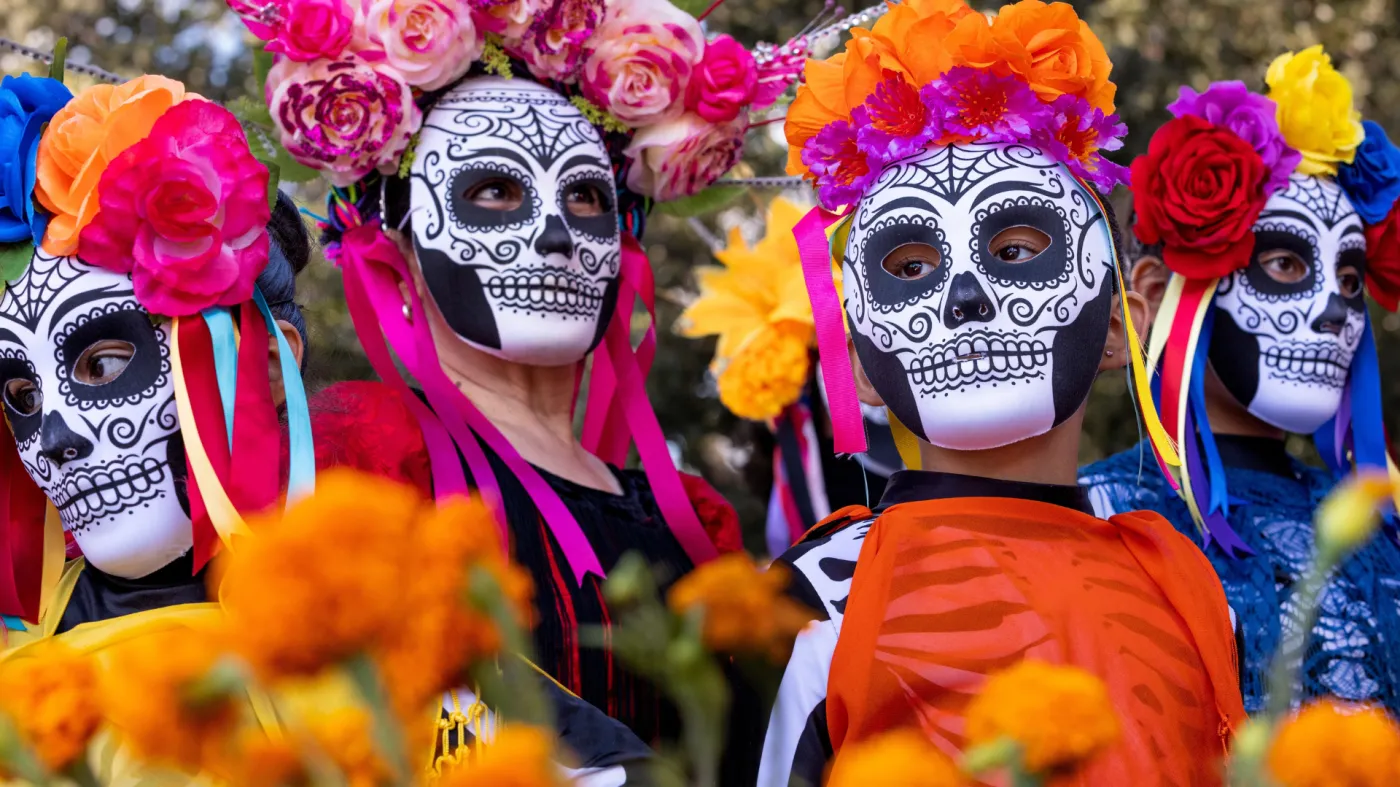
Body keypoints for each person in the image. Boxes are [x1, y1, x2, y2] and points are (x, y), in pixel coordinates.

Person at [230, 0, 790, 771]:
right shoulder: (363, 459)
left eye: (585, 195)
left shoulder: (692, 517)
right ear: (397, 238)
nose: (557, 234)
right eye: (494, 190)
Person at [758, 1, 1246, 783]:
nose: (964, 298)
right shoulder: (813, 602)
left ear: (1119, 326)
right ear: (859, 363)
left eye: (1017, 249)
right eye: (910, 267)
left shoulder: (1185, 588)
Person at [1080, 51, 1400, 715]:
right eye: (1285, 263)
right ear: (1155, 294)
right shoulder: (1096, 519)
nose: (1336, 308)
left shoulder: (1381, 528)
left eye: (1349, 278)